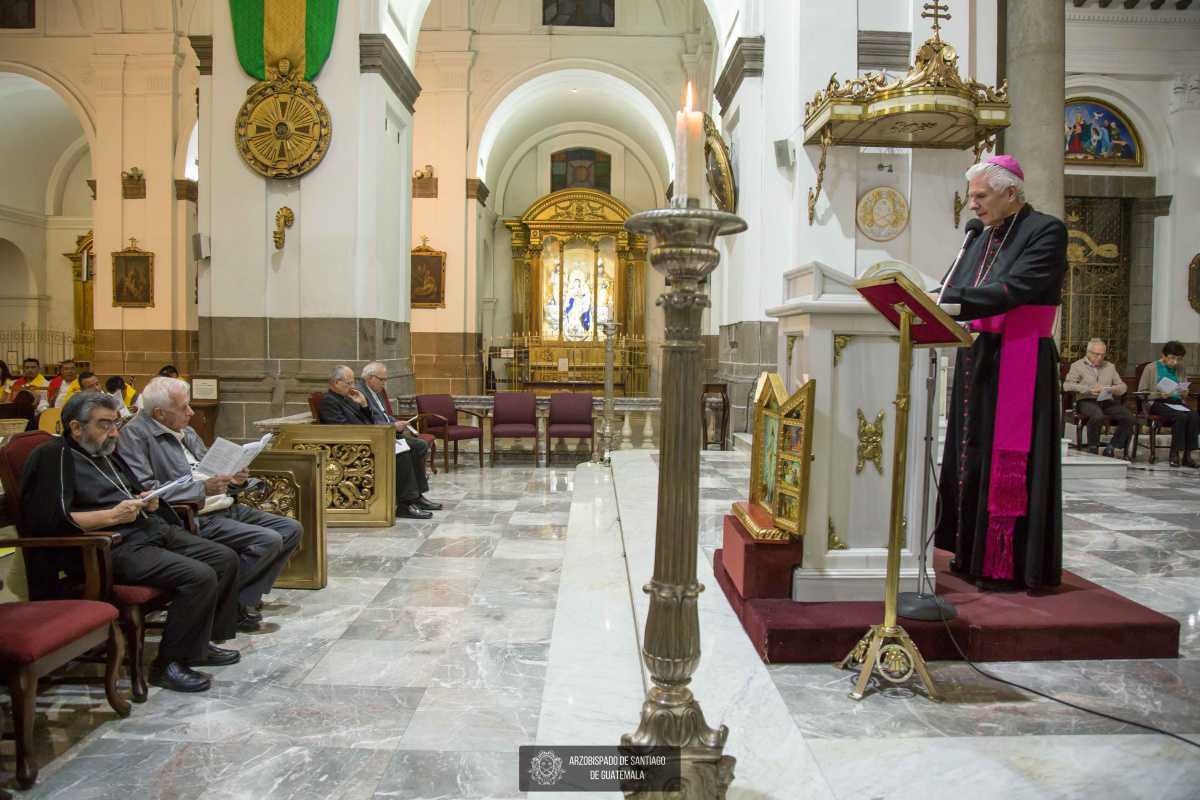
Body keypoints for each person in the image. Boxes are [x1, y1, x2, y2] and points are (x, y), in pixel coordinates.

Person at [19, 392, 241, 692]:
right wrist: (111, 516)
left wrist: (147, 503)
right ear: (75, 427)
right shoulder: (52, 457)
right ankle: (168, 665)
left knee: (224, 558)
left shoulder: (104, 450)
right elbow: (50, 521)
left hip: (146, 529)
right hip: (108, 546)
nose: (114, 432)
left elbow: (134, 490)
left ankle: (198, 644)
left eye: (115, 423)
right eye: (105, 425)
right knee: (198, 576)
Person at [934, 154, 1067, 591]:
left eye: (980, 195)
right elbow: (957, 286)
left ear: (1011, 193)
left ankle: (1010, 563)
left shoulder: (1044, 231)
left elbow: (1016, 288)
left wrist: (953, 301)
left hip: (1020, 359)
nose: (972, 205)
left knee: (1008, 459)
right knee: (971, 456)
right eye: (971, 195)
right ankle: (972, 555)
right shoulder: (978, 238)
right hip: (979, 356)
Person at [119, 377, 301, 630]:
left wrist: (235, 478)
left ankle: (235, 601)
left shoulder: (187, 431)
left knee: (290, 529)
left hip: (222, 504)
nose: (191, 413)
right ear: (159, 413)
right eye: (184, 408)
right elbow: (146, 492)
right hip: (192, 515)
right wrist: (200, 489)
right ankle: (228, 606)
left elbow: (212, 469)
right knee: (266, 540)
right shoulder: (135, 437)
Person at [318, 365, 441, 520]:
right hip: (357, 446)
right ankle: (404, 504)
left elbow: (368, 420)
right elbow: (343, 430)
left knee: (416, 446)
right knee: (401, 452)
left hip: (371, 438)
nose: (352, 387)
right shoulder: (329, 401)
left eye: (352, 383)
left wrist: (363, 405)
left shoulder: (348, 397)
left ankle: (416, 497)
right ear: (336, 383)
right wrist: (375, 435)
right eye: (348, 383)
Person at [1063, 339, 1134, 457]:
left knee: (1128, 417)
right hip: (1086, 400)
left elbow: (1123, 387)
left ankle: (1112, 446)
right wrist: (1089, 389)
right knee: (1097, 415)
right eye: (1097, 354)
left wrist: (1110, 389)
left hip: (1106, 400)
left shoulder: (1110, 366)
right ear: (1088, 353)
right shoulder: (1077, 366)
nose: (1100, 358)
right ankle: (1093, 447)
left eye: (1102, 355)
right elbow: (1067, 385)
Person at [1137, 341, 1200, 468]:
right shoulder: (1151, 368)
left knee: (1194, 415)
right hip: (1157, 402)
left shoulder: (1181, 368)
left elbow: (1182, 387)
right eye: (1172, 358)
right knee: (1180, 416)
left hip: (1176, 402)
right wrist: (1159, 394)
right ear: (1164, 356)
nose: (1175, 362)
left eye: (1178, 359)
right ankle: (1174, 454)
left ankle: (1187, 455)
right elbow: (1141, 392)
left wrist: (1184, 392)